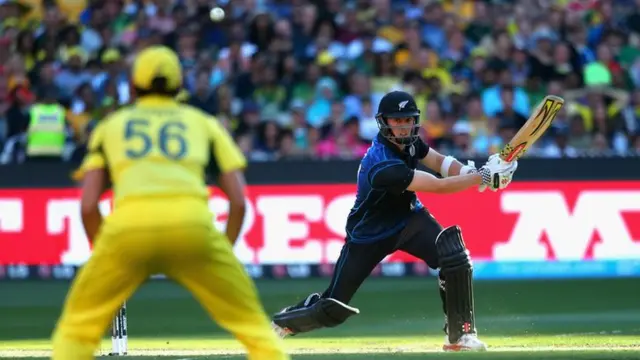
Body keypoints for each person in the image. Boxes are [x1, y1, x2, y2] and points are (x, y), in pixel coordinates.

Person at [51, 46, 289, 360]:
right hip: (193, 230)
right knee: (256, 332)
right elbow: (239, 201)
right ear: (179, 87)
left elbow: (87, 205)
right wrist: (222, 249)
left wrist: (107, 249)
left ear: (133, 88)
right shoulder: (203, 123)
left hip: (128, 232)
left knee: (75, 334)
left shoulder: (112, 126)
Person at [271, 91, 518, 352]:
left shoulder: (411, 142)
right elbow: (437, 185)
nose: (403, 127)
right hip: (369, 235)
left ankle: (461, 336)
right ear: (384, 123)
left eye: (407, 120)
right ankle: (285, 322)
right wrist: (482, 177)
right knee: (332, 308)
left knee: (454, 257)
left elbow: (440, 162)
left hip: (409, 220)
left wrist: (470, 171)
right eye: (396, 121)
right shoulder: (382, 163)